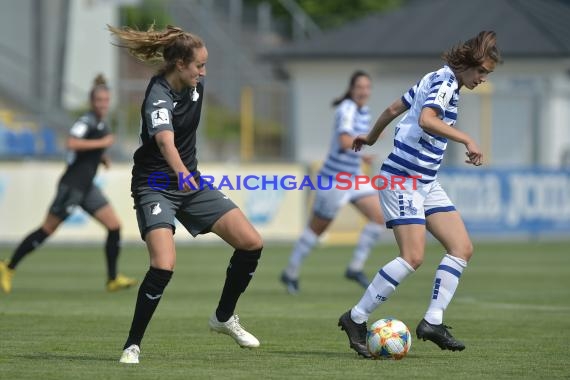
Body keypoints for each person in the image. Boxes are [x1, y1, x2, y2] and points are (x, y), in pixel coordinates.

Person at [337, 31, 501, 358]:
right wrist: (467, 139)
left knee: (461, 248)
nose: (482, 78)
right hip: (402, 179)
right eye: (481, 71)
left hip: (425, 181)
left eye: (487, 74)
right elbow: (427, 120)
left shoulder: (435, 76)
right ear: (467, 64)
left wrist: (370, 138)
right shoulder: (445, 84)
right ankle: (355, 318)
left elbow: (393, 107)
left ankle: (433, 321)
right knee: (412, 257)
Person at [107, 24, 263, 364]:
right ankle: (132, 345)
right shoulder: (158, 95)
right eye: (199, 66)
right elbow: (164, 141)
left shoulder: (194, 86)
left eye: (204, 66)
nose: (203, 73)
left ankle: (223, 317)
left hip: (190, 183)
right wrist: (181, 174)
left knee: (251, 242)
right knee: (163, 264)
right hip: (157, 185)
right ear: (180, 64)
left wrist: (187, 177)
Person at [0, 75, 136, 294]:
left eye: (106, 100)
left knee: (114, 226)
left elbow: (87, 149)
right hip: (72, 186)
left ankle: (112, 279)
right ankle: (8, 266)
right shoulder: (87, 120)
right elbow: (71, 142)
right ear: (92, 102)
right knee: (47, 229)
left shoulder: (100, 122)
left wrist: (101, 156)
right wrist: (102, 144)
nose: (103, 104)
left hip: (87, 187)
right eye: (99, 100)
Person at [280, 71, 385, 294]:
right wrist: (366, 144)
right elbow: (345, 140)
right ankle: (290, 272)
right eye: (360, 87)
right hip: (334, 179)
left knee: (379, 217)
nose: (364, 91)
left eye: (367, 87)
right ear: (351, 89)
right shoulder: (346, 109)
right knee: (317, 229)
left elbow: (352, 144)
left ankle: (355, 267)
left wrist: (361, 155)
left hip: (354, 176)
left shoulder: (363, 111)